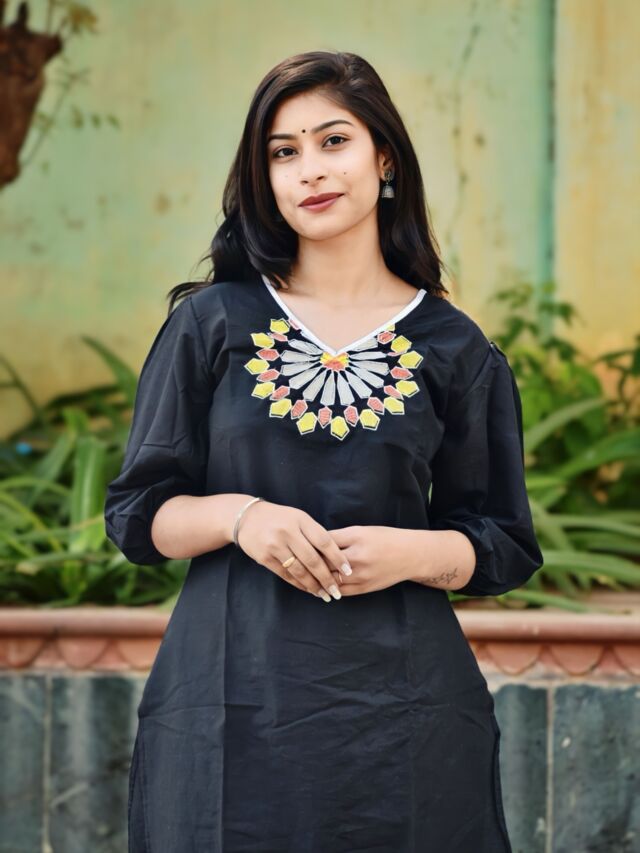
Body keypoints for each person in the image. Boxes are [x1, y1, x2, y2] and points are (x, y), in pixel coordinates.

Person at [104, 49, 543, 853]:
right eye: (284, 151)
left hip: (406, 718)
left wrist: (411, 551)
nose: (310, 169)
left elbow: (502, 542)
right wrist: (242, 517)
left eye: (333, 141)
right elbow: (138, 515)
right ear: (264, 177)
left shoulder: (455, 348)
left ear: (385, 158)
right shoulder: (211, 325)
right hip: (226, 707)